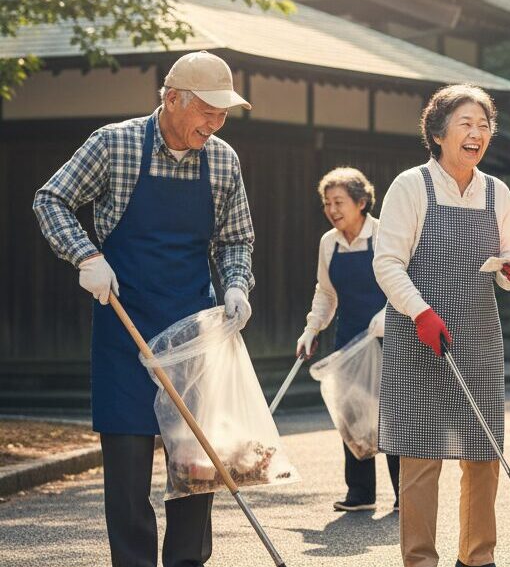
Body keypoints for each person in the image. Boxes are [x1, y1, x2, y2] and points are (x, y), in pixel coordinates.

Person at [32, 51, 254, 567]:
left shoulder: (223, 160)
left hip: (192, 334)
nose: (215, 124)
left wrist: (237, 285)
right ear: (172, 99)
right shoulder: (115, 144)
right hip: (124, 327)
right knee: (129, 475)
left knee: (196, 469)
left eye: (223, 114)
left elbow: (236, 238)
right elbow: (51, 199)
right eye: (207, 111)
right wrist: (87, 255)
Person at [373, 84, 510, 567]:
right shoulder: (411, 185)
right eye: (466, 124)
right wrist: (420, 311)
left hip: (479, 337)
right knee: (421, 459)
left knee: (483, 455)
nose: (477, 134)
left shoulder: (496, 191)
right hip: (420, 334)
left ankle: (477, 557)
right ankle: (420, 560)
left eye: (484, 126)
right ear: (438, 133)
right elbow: (388, 262)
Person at [296, 167, 400, 512]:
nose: (332, 210)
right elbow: (325, 294)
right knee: (352, 415)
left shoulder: (386, 233)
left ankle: (406, 495)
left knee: (393, 415)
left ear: (361, 202)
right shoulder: (329, 243)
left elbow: (407, 281)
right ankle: (360, 493)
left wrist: (390, 314)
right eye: (327, 203)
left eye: (339, 202)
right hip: (348, 338)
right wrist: (312, 329)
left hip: (390, 337)